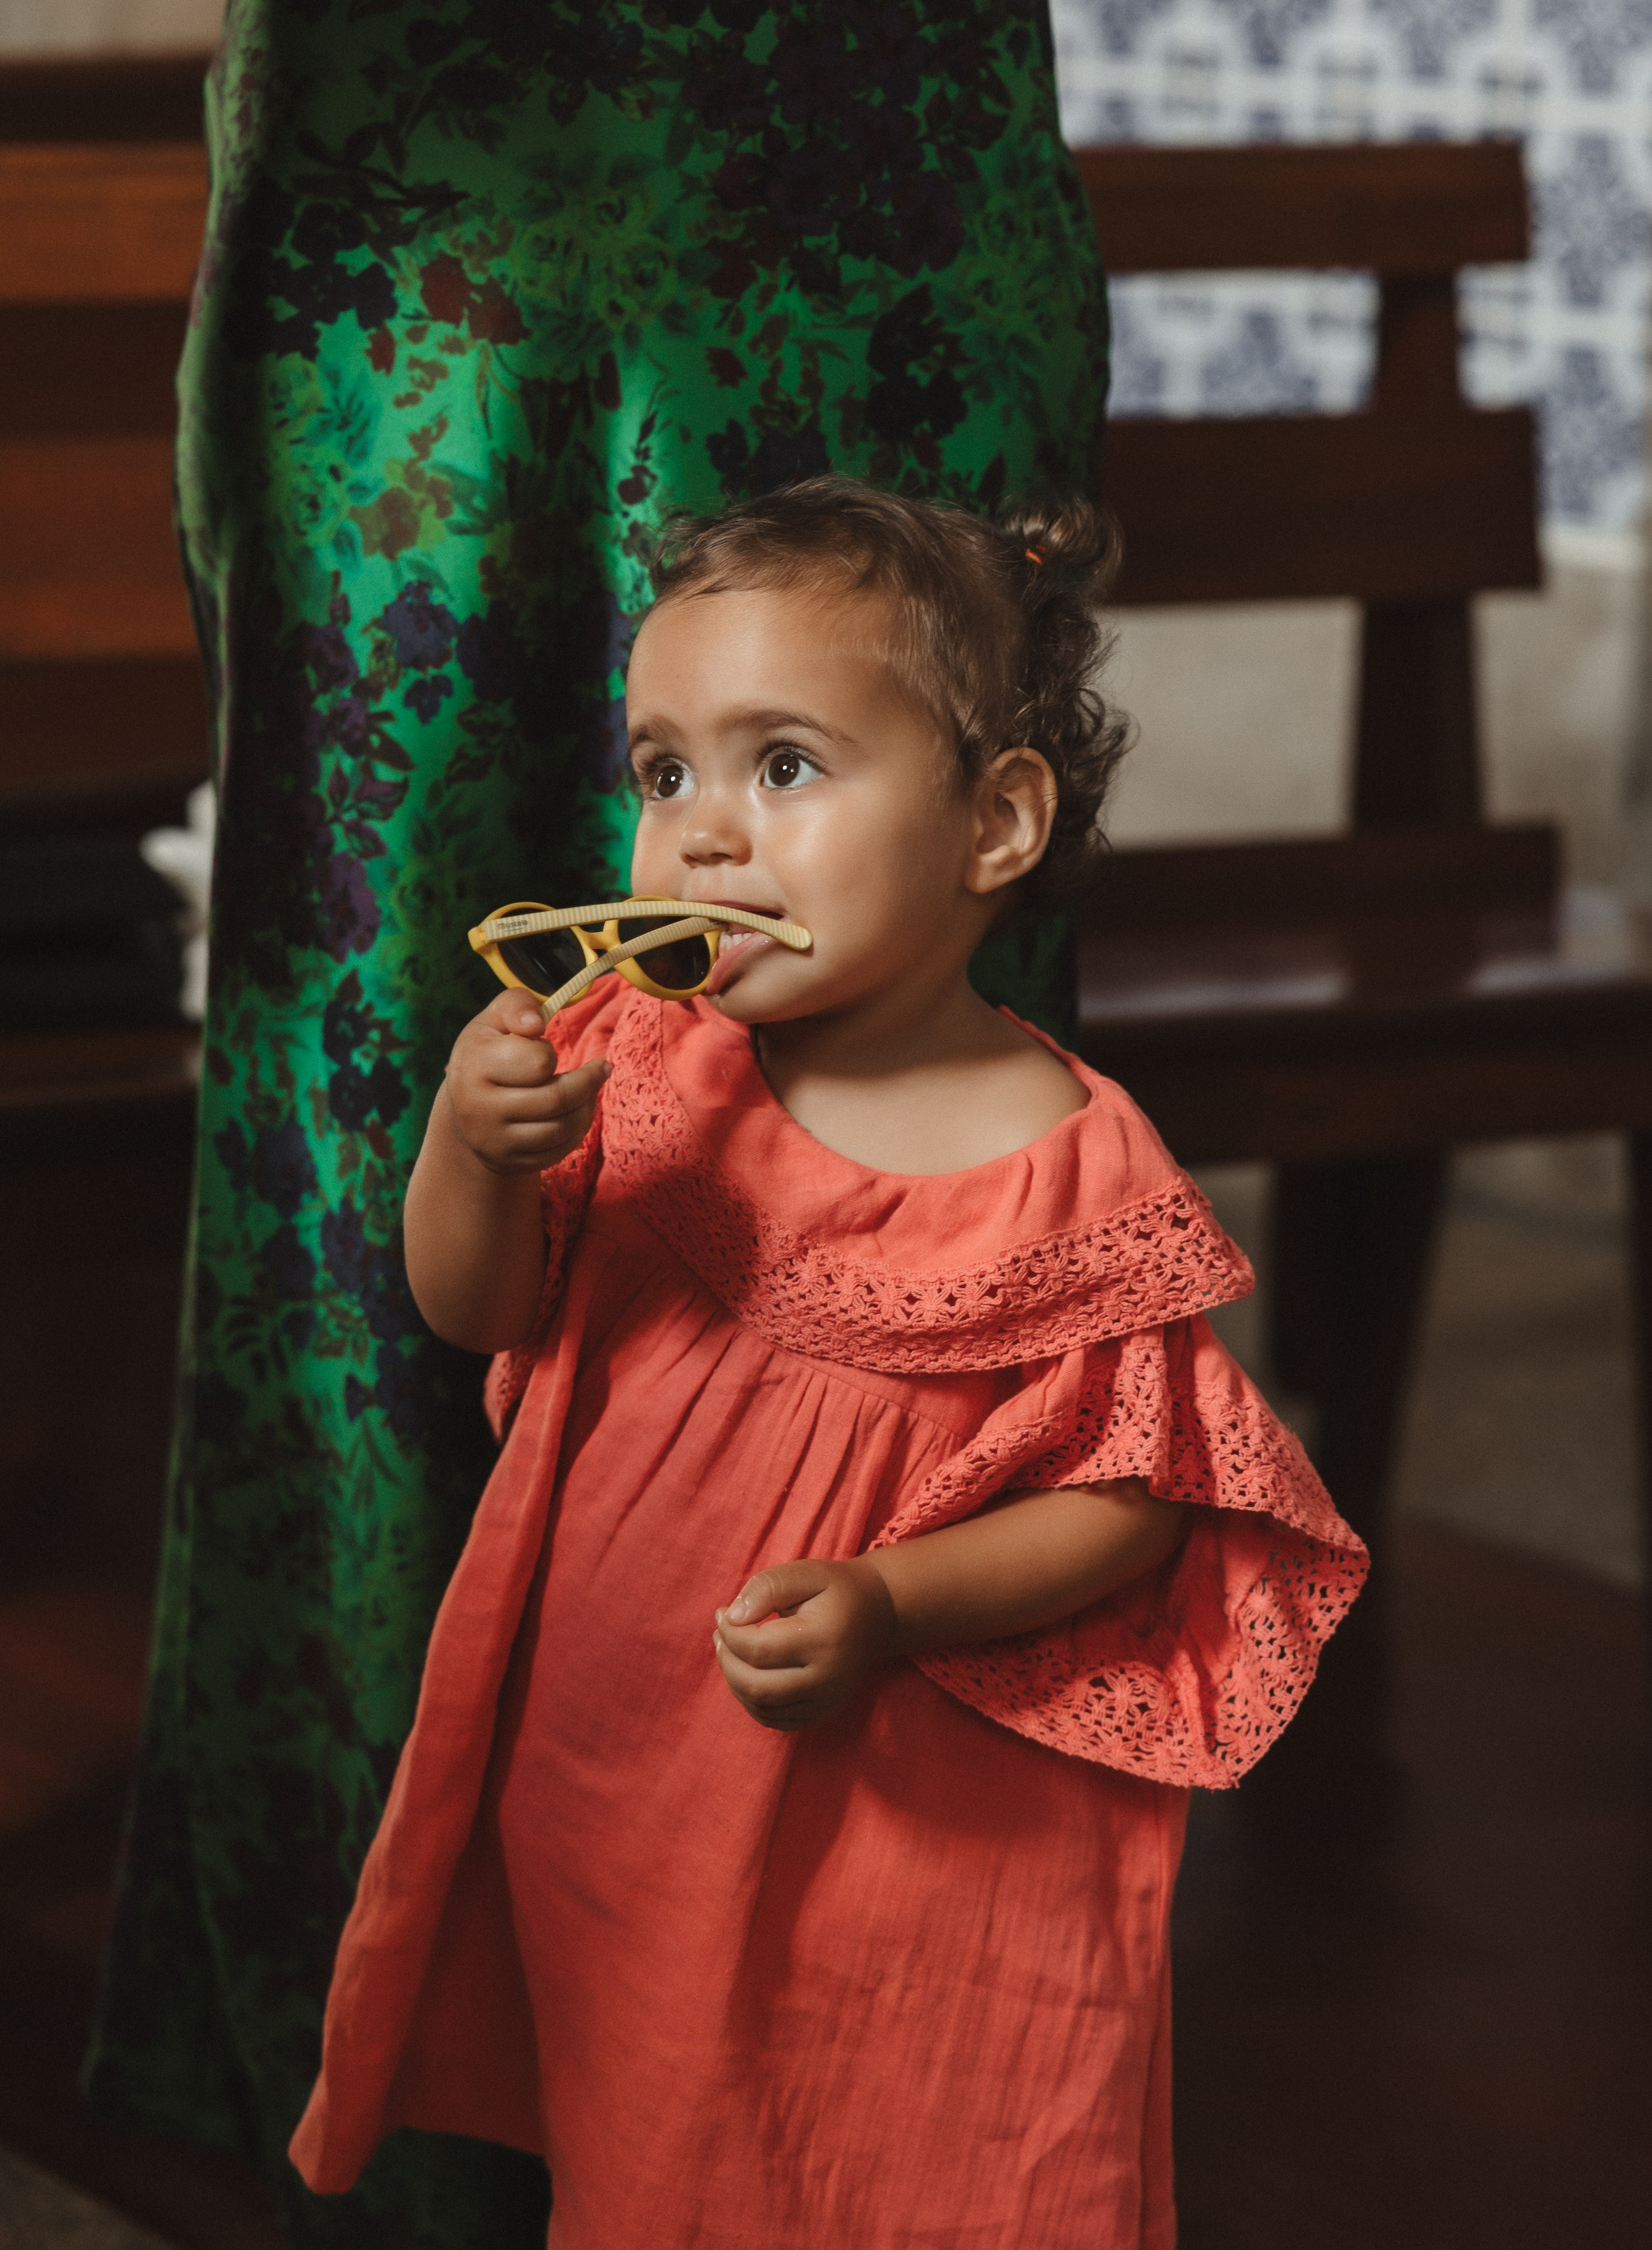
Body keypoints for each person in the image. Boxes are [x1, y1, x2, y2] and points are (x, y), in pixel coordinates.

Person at [70, 0, 1188, 2241]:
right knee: (410, 1032)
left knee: (883, 1006)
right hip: (426, 132)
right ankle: (395, 2104)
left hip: (871, 102)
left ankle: (861, 2062)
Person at [287, 480, 1366, 2248]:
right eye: (663, 772)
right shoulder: (635, 1054)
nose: (704, 834)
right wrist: (471, 1154)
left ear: (995, 822)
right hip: (629, 1760)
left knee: (871, 2147)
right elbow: (479, 1310)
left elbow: (1132, 1505)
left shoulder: (1072, 1167)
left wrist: (892, 1595)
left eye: (783, 767)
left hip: (898, 1823)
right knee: (648, 2133)